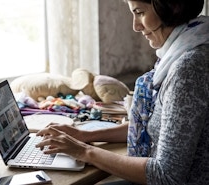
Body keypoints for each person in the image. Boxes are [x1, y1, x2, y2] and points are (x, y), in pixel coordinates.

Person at [36, 0, 209, 184]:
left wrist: (84, 151)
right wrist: (85, 135)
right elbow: (164, 128)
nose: (135, 26)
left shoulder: (189, 68)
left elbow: (166, 176)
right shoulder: (190, 46)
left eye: (140, 12)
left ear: (171, 6)